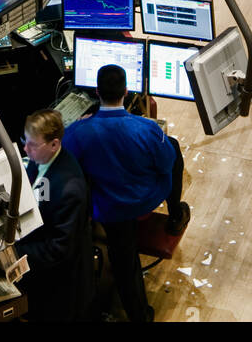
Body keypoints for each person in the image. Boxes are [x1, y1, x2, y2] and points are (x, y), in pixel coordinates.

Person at [63, 65, 189, 324]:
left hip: (107, 209)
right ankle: (175, 212)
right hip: (146, 199)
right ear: (126, 91)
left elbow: (66, 165)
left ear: (97, 92)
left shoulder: (77, 132)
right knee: (173, 148)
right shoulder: (146, 128)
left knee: (125, 260)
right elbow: (166, 164)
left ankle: (139, 315)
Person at [15, 109, 94, 323]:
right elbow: (38, 194)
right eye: (25, 140)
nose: (25, 149)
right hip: (38, 250)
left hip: (60, 282)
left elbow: (58, 250)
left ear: (54, 144)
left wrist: (15, 254)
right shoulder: (40, 158)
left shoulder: (70, 190)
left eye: (32, 144)